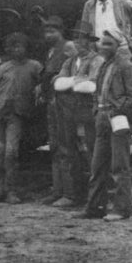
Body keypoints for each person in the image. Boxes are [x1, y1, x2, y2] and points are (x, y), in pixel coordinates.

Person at [83, 32, 132, 221]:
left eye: (108, 44)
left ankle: (122, 209)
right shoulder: (104, 65)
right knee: (97, 166)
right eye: (102, 44)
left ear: (118, 46)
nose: (103, 47)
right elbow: (98, 92)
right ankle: (95, 207)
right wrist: (97, 110)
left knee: (119, 166)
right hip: (102, 119)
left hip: (118, 119)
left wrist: (117, 110)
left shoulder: (127, 67)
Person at [51, 22, 105, 207]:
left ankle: (94, 197)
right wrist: (76, 81)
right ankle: (71, 194)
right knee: (67, 150)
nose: (78, 43)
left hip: (88, 112)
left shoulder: (97, 60)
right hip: (68, 111)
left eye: (82, 39)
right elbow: (58, 83)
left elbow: (91, 86)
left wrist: (72, 82)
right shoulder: (70, 61)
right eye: (76, 39)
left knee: (92, 151)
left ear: (89, 42)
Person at [0, 32, 42, 204]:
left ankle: (12, 191)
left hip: (16, 115)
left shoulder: (34, 66)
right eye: (14, 47)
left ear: (26, 48)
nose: (17, 50)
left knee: (11, 152)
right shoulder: (3, 68)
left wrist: (39, 89)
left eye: (20, 46)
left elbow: (43, 83)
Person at [36, 16, 77, 206]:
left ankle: (70, 194)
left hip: (63, 102)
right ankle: (58, 190)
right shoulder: (51, 50)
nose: (48, 35)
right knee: (55, 147)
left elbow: (73, 72)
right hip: (51, 102)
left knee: (65, 146)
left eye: (52, 31)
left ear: (61, 32)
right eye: (46, 31)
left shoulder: (68, 47)